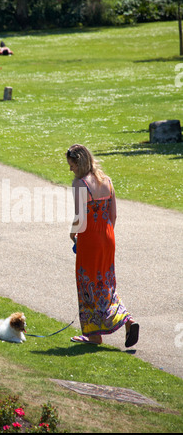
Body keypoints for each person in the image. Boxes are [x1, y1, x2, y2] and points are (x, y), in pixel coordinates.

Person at [66, 144, 139, 347]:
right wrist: (105, 234)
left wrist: (72, 235)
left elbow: (80, 218)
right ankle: (126, 319)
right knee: (106, 283)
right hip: (107, 237)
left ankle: (93, 334)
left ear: (79, 163)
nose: (70, 169)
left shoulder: (80, 184)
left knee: (87, 283)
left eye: (71, 165)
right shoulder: (107, 181)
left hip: (90, 239)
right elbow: (113, 215)